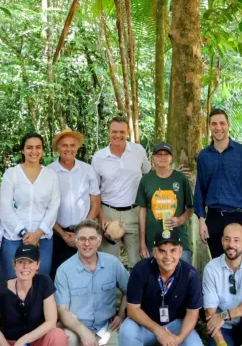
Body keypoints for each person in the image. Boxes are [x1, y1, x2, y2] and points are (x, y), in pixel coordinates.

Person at [117, 229, 205, 346]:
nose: (168, 256)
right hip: (145, 324)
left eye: (173, 250)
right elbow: (132, 309)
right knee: (127, 332)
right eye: (162, 250)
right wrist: (158, 331)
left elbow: (192, 313)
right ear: (154, 252)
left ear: (180, 252)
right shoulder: (141, 270)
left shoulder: (190, 275)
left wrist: (179, 338)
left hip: (174, 323)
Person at [55, 220, 129, 346]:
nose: (86, 243)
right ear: (75, 241)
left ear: (99, 240)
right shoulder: (64, 270)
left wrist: (121, 314)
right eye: (82, 239)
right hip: (75, 326)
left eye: (91, 238)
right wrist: (83, 331)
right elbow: (62, 311)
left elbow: (130, 290)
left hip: (106, 327)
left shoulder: (112, 263)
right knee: (67, 338)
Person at [195, 108, 242, 259]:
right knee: (219, 265)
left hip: (238, 217)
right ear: (209, 127)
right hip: (213, 219)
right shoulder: (204, 156)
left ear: (228, 125)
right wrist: (201, 220)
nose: (218, 127)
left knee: (240, 265)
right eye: (214, 124)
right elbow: (200, 189)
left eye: (222, 123)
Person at [0, 133, 60, 281]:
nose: (34, 151)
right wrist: (24, 234)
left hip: (43, 237)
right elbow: (5, 208)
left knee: (40, 280)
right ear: (22, 150)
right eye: (29, 147)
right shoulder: (12, 174)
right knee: (12, 281)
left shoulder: (50, 175)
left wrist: (38, 234)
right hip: (14, 236)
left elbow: (54, 206)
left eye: (38, 147)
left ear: (43, 150)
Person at [92, 116, 151, 269]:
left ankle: (130, 293)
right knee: (108, 261)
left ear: (128, 132)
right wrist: (101, 216)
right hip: (108, 212)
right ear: (108, 133)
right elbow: (94, 191)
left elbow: (150, 174)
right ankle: (110, 292)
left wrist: (173, 172)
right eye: (114, 132)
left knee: (137, 261)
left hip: (134, 212)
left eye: (122, 132)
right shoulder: (99, 157)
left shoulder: (138, 151)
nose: (118, 135)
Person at [47, 129, 101, 278]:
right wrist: (63, 235)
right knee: (58, 275)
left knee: (85, 274)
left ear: (77, 147)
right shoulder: (48, 172)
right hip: (57, 234)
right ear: (58, 148)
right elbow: (45, 208)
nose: (68, 149)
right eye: (64, 145)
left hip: (84, 235)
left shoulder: (88, 170)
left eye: (72, 145)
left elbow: (95, 202)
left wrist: (82, 231)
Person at [135, 142, 194, 264]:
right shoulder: (146, 180)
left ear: (171, 158)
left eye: (166, 154)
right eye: (159, 154)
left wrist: (181, 219)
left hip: (179, 239)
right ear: (153, 158)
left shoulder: (180, 178)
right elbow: (142, 211)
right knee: (155, 280)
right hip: (153, 241)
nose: (163, 157)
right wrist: (142, 243)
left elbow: (190, 207)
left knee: (184, 277)